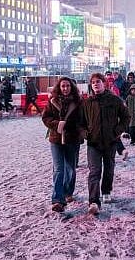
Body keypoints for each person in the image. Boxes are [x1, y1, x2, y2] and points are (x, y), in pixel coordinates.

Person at [82, 73, 130, 215]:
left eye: (98, 82)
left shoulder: (114, 100)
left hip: (110, 141)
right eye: (93, 82)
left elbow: (126, 117)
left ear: (104, 83)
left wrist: (118, 130)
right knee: (94, 172)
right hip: (93, 143)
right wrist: (85, 133)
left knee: (109, 168)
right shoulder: (87, 103)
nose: (96, 84)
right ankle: (94, 202)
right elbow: (80, 123)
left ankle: (106, 190)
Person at [41, 77, 85, 213]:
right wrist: (56, 124)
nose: (65, 88)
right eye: (63, 86)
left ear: (71, 87)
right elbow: (45, 118)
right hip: (56, 139)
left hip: (72, 139)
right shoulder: (52, 101)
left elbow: (83, 119)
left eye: (67, 86)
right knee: (59, 169)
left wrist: (77, 129)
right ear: (59, 88)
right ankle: (57, 200)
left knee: (70, 168)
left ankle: (68, 191)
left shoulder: (78, 102)